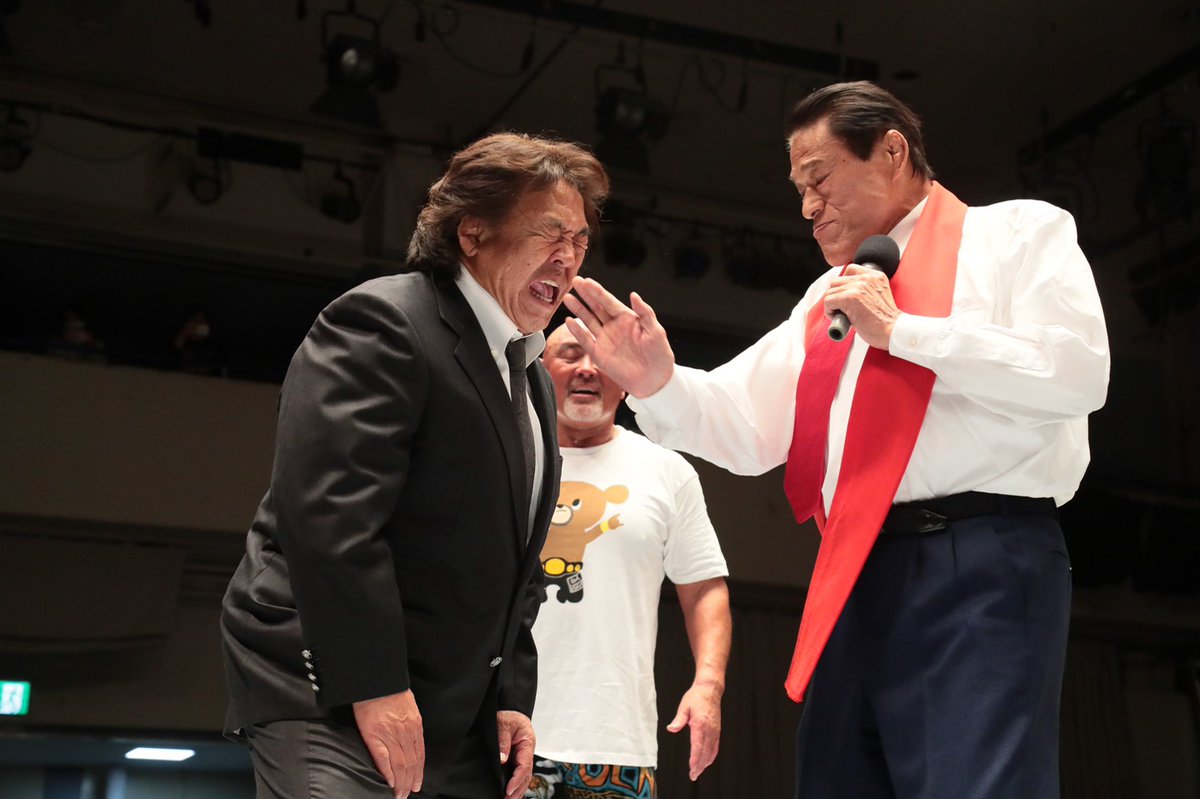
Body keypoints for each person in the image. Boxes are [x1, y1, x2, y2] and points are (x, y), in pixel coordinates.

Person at [562, 81, 1110, 799]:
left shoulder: (1017, 234)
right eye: (799, 189)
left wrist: (904, 333)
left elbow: (1075, 374)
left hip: (982, 549)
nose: (807, 207)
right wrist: (657, 381)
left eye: (819, 179)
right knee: (838, 779)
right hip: (855, 560)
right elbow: (747, 424)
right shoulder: (830, 298)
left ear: (892, 151)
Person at [220, 132, 610, 799]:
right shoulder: (384, 320)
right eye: (549, 232)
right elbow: (330, 519)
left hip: (455, 707)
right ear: (473, 233)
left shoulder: (528, 374)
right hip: (333, 688)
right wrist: (374, 684)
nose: (568, 256)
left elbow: (516, 560)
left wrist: (509, 695)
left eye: (579, 240)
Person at [524, 324, 732, 799]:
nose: (588, 369)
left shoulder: (666, 471)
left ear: (624, 380)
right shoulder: (506, 458)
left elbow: (704, 587)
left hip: (614, 738)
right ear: (540, 370)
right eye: (570, 354)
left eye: (603, 359)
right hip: (497, 728)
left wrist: (709, 685)